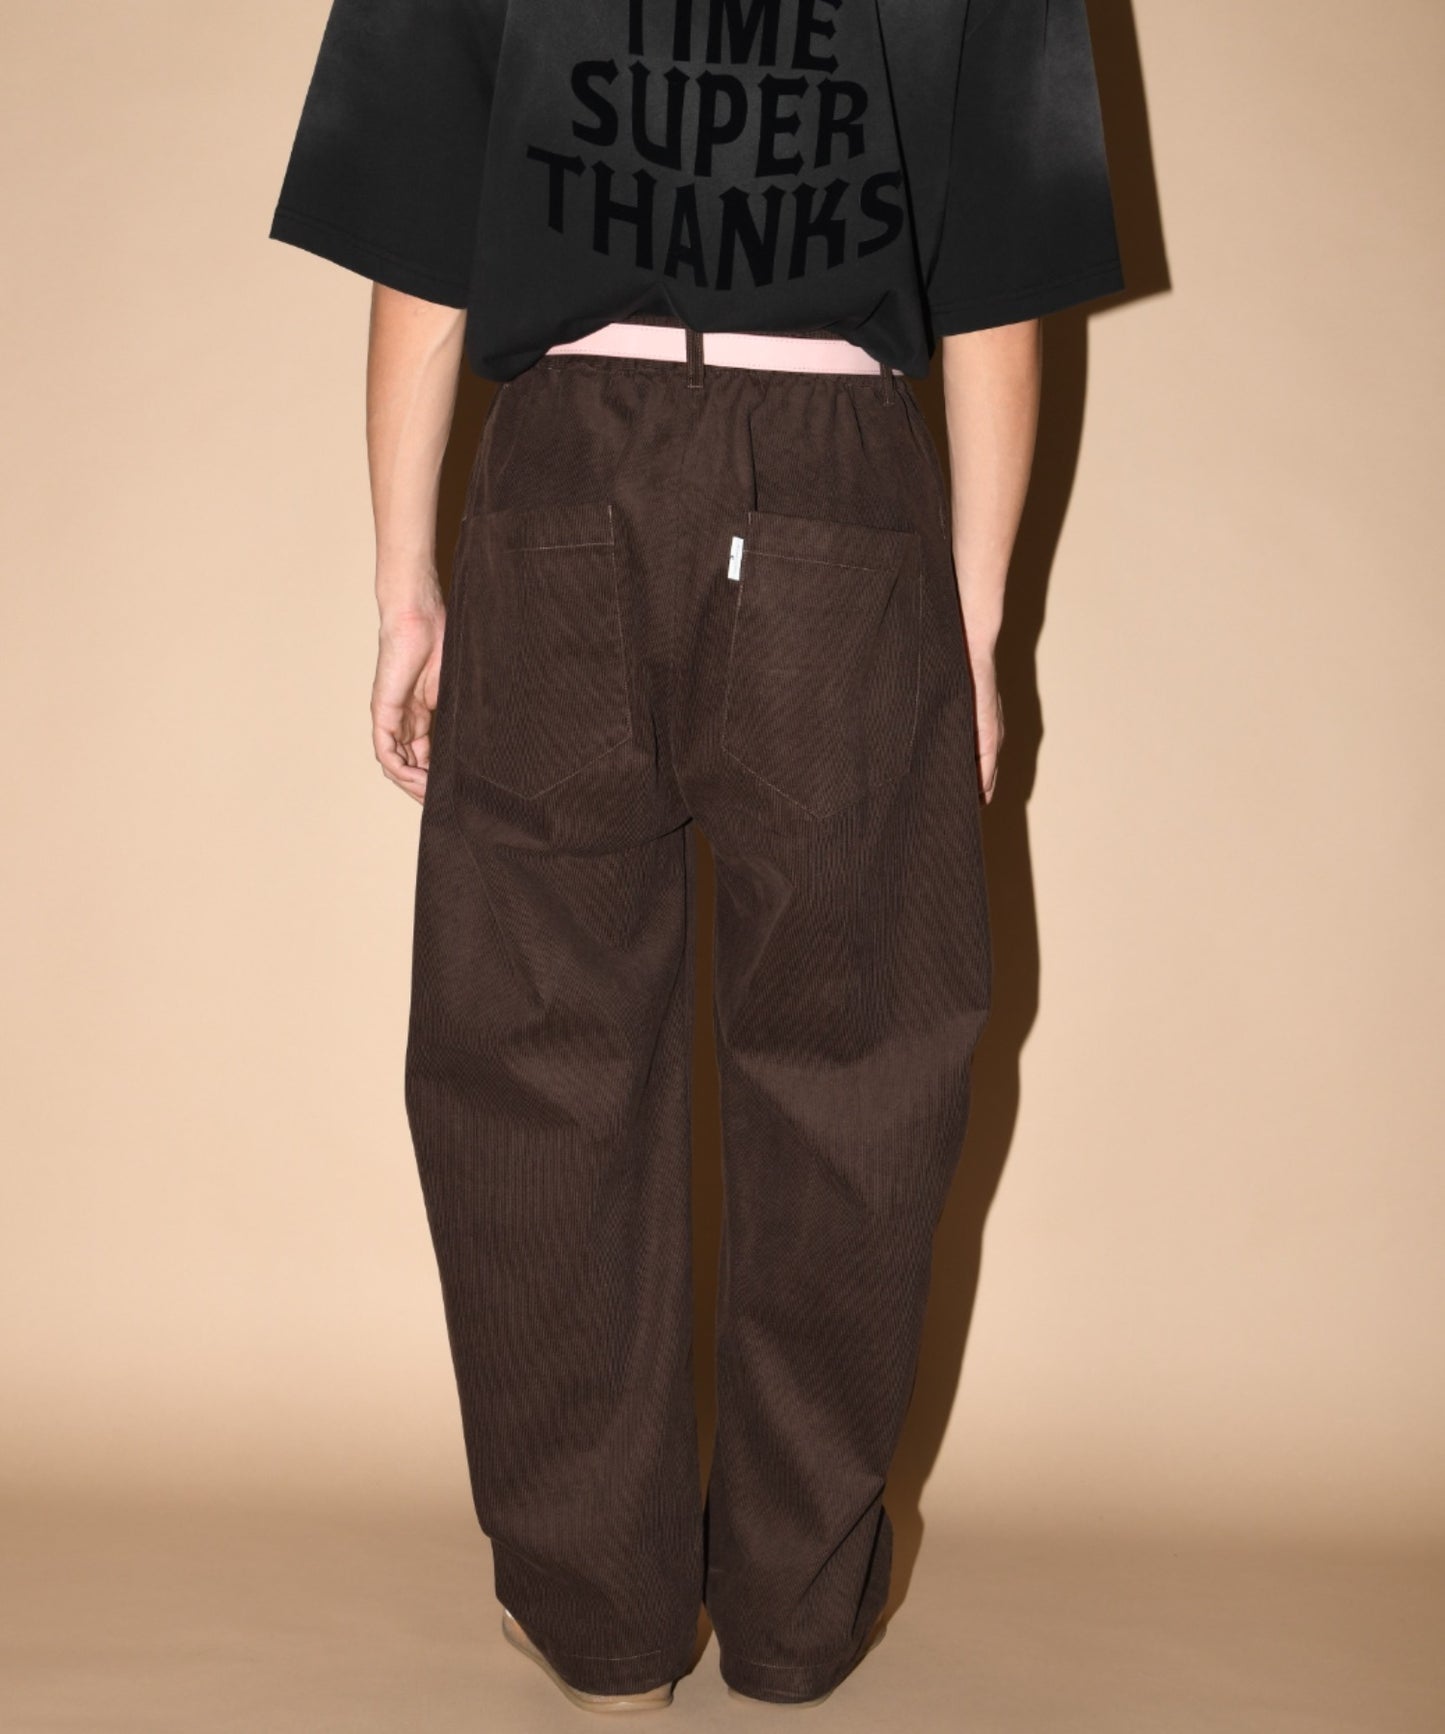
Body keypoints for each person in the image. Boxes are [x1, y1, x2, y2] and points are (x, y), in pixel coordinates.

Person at [269, 0, 1123, 1711]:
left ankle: (601, 1624)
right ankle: (797, 1618)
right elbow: (997, 287)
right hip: (843, 490)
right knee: (857, 1059)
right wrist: (969, 626)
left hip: (566, 473)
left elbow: (422, 250)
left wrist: (403, 582)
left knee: (536, 1052)